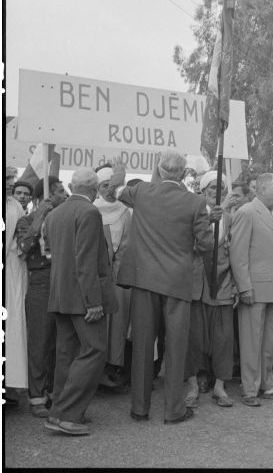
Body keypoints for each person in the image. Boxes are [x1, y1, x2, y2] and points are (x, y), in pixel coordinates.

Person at [108, 149, 214, 424]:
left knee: (143, 344)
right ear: (183, 174)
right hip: (178, 281)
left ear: (159, 170)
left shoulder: (141, 192)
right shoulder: (195, 202)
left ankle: (139, 408)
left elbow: (116, 190)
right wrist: (186, 250)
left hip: (144, 279)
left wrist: (120, 176)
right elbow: (205, 245)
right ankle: (173, 410)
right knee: (176, 346)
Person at [44, 169, 117, 436]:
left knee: (67, 354)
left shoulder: (56, 213)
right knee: (94, 351)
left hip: (60, 295)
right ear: (95, 189)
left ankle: (57, 413)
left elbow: (56, 254)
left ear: (73, 186)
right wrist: (93, 302)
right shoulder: (89, 213)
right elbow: (85, 260)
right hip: (82, 297)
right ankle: (67, 414)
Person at [230, 173, 273, 407]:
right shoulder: (247, 212)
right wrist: (244, 287)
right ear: (262, 188)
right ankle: (250, 389)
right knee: (251, 342)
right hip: (255, 289)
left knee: (270, 342)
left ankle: (268, 385)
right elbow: (238, 254)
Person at [184, 171, 238, 408]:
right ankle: (193, 384)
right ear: (203, 192)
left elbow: (236, 251)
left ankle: (220, 386)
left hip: (224, 281)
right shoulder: (193, 213)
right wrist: (211, 220)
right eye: (211, 189)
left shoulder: (232, 216)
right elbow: (193, 244)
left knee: (223, 336)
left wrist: (237, 283)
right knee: (194, 336)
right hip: (197, 281)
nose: (216, 193)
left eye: (221, 188)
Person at [16, 176, 67, 417]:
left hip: (63, 278)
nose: (64, 194)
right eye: (58, 191)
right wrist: (40, 217)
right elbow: (24, 249)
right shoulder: (25, 220)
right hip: (40, 280)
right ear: (43, 196)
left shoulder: (64, 219)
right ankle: (36, 396)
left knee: (61, 339)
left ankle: (55, 393)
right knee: (40, 339)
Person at [93, 165, 133, 389]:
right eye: (104, 185)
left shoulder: (125, 211)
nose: (108, 190)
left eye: (112, 185)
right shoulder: (92, 209)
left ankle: (112, 367)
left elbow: (129, 243)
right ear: (97, 188)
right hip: (99, 275)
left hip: (119, 275)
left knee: (118, 323)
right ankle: (95, 370)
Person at [4, 169, 29, 407]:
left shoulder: (15, 207)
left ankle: (9, 387)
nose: (10, 183)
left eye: (11, 179)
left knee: (10, 329)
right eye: (7, 179)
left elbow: (22, 242)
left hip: (10, 275)